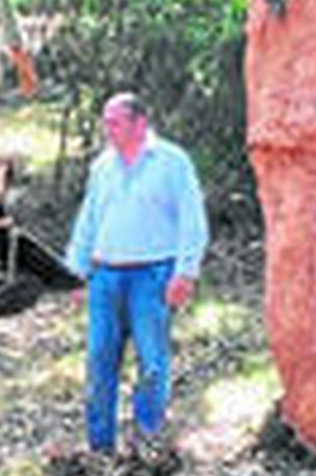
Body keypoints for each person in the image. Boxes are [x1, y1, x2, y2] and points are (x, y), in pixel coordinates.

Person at [64, 93, 209, 455]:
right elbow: (88, 221)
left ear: (140, 123)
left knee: (152, 363)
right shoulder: (102, 167)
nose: (107, 129)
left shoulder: (172, 162)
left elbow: (193, 220)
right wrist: (74, 272)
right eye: (105, 122)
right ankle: (100, 448)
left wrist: (185, 273)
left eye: (114, 122)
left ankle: (148, 442)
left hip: (152, 276)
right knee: (99, 362)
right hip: (105, 277)